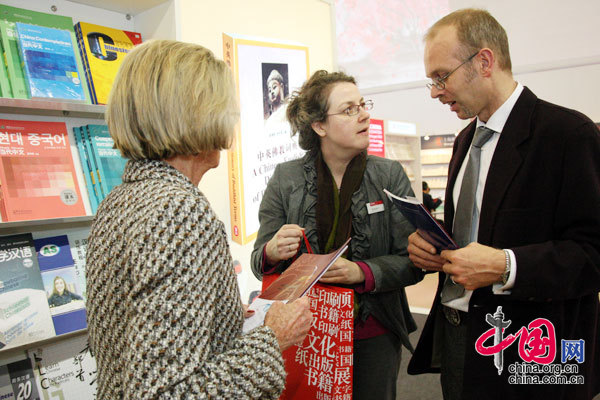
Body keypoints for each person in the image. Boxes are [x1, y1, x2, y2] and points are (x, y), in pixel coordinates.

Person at [85, 40, 313, 399]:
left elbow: (139, 334)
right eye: (226, 103)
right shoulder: (179, 212)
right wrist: (274, 338)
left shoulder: (121, 199)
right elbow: (166, 393)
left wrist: (217, 316)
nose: (234, 117)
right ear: (197, 111)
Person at [406, 9, 600, 400]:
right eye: (431, 80)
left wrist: (506, 266)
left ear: (484, 61)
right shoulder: (465, 141)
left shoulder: (567, 135)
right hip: (459, 338)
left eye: (441, 76)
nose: (435, 91)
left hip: (534, 351)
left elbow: (593, 253)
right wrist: (432, 249)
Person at [251, 70, 424, 400]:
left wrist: (362, 272)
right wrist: (272, 251)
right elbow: (260, 261)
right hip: (306, 332)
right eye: (349, 110)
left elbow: (414, 261)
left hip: (374, 332)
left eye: (362, 105)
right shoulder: (286, 179)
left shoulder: (388, 175)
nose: (364, 114)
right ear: (319, 126)